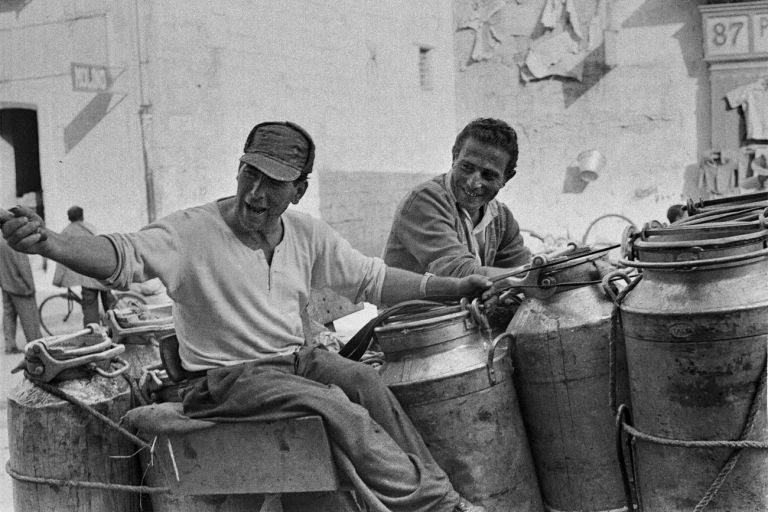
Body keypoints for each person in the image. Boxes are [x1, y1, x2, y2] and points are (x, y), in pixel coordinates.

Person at [0, 121, 503, 512]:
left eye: (274, 183)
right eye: (250, 174)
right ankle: (439, 507)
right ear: (239, 169)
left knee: (366, 384)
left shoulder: (306, 233)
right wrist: (51, 244)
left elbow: (373, 279)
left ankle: (435, 492)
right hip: (223, 380)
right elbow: (120, 255)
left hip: (294, 361)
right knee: (337, 407)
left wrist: (455, 286)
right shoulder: (190, 232)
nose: (256, 194)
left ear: (298, 191)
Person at [383, 118, 531, 279]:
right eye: (467, 167)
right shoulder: (424, 201)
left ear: (506, 178)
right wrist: (528, 275)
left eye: (488, 175)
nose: (473, 183)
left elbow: (521, 272)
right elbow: (459, 274)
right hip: (417, 305)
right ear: (454, 156)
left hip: (464, 304)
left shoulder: (502, 218)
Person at [52, 206, 117, 326]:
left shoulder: (67, 232)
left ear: (69, 218)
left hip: (86, 275)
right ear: (82, 216)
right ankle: (117, 329)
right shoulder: (90, 228)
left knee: (90, 307)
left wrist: (59, 279)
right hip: (101, 272)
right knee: (110, 305)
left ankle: (94, 336)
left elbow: (60, 256)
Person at [0, 237, 41, 353]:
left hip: (5, 283)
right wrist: (31, 286)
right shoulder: (15, 242)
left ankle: (10, 345)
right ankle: (35, 346)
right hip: (20, 286)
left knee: (8, 314)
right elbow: (24, 267)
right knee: (29, 317)